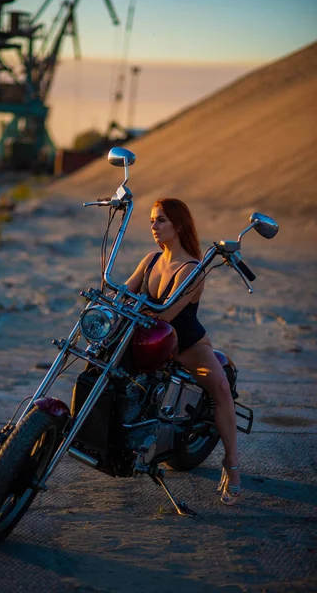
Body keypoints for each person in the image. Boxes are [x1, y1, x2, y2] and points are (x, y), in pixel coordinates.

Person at [125, 197, 241, 505]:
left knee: (220, 389)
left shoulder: (193, 268)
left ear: (178, 225)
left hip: (187, 345)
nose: (154, 226)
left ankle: (232, 463)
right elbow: (123, 290)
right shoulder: (150, 261)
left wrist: (137, 311)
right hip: (151, 340)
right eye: (152, 220)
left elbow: (167, 314)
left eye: (160, 220)